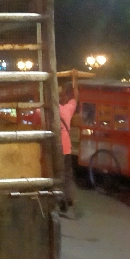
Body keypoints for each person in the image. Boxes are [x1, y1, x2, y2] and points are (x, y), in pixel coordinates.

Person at [58, 86, 79, 216]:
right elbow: (75, 98)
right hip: (66, 147)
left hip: (54, 148)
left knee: (56, 174)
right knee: (67, 175)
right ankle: (69, 198)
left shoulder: (50, 110)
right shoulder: (68, 109)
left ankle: (59, 200)